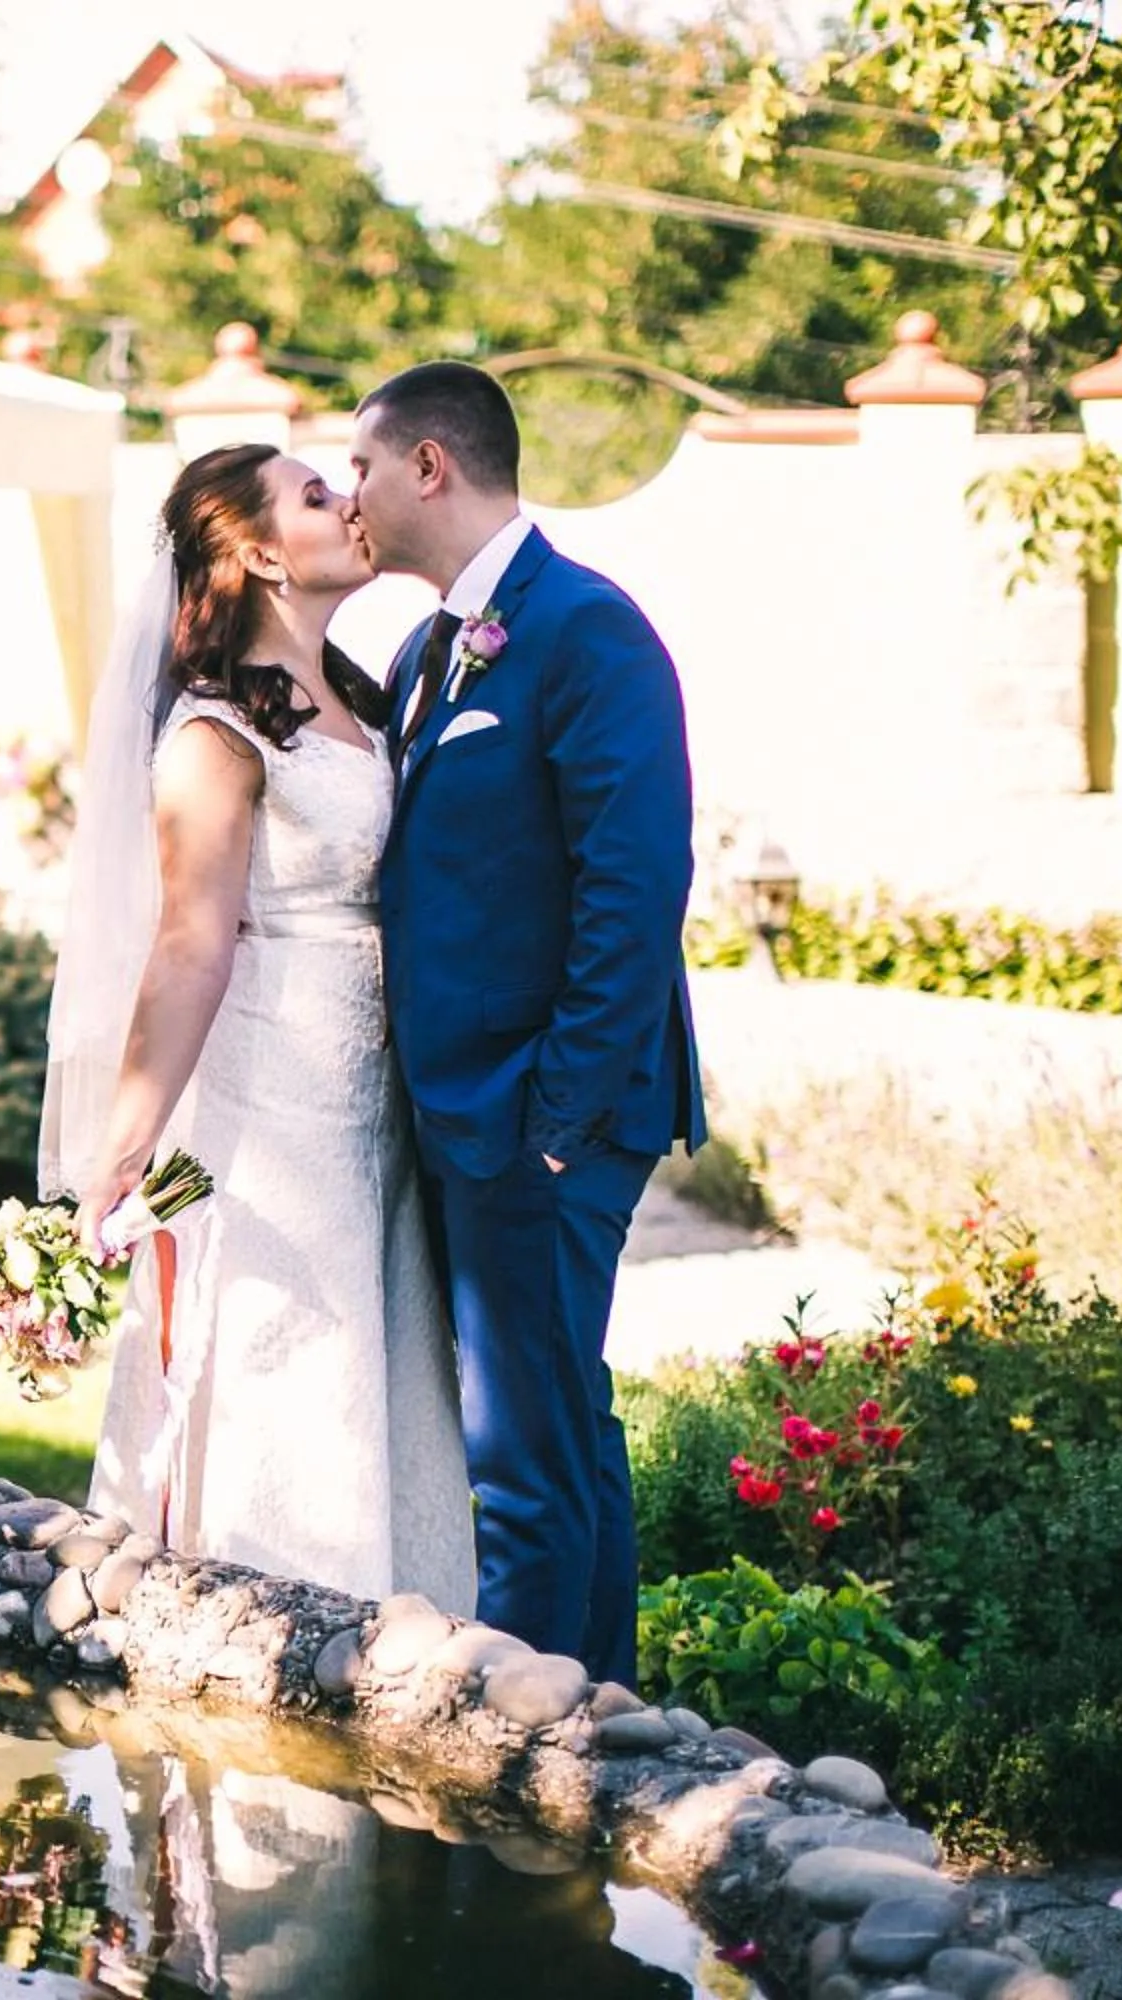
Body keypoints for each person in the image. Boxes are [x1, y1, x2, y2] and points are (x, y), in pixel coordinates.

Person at [42, 442, 474, 1612]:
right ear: (258, 553)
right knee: (295, 1348)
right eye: (316, 494)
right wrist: (119, 1153)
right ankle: (282, 1626)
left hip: (378, 1087)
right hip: (276, 1087)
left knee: (383, 1346)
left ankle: (402, 1630)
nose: (350, 501)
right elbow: (190, 944)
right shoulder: (213, 734)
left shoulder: (369, 693)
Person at [346, 361, 708, 1688]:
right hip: (470, 1107)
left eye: (364, 467)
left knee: (521, 1455)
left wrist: (556, 1116)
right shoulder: (427, 649)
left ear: (431, 466)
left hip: (544, 1115)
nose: (350, 496)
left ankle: (535, 1758)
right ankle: (605, 1725)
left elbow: (635, 888)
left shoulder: (587, 629)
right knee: (559, 1428)